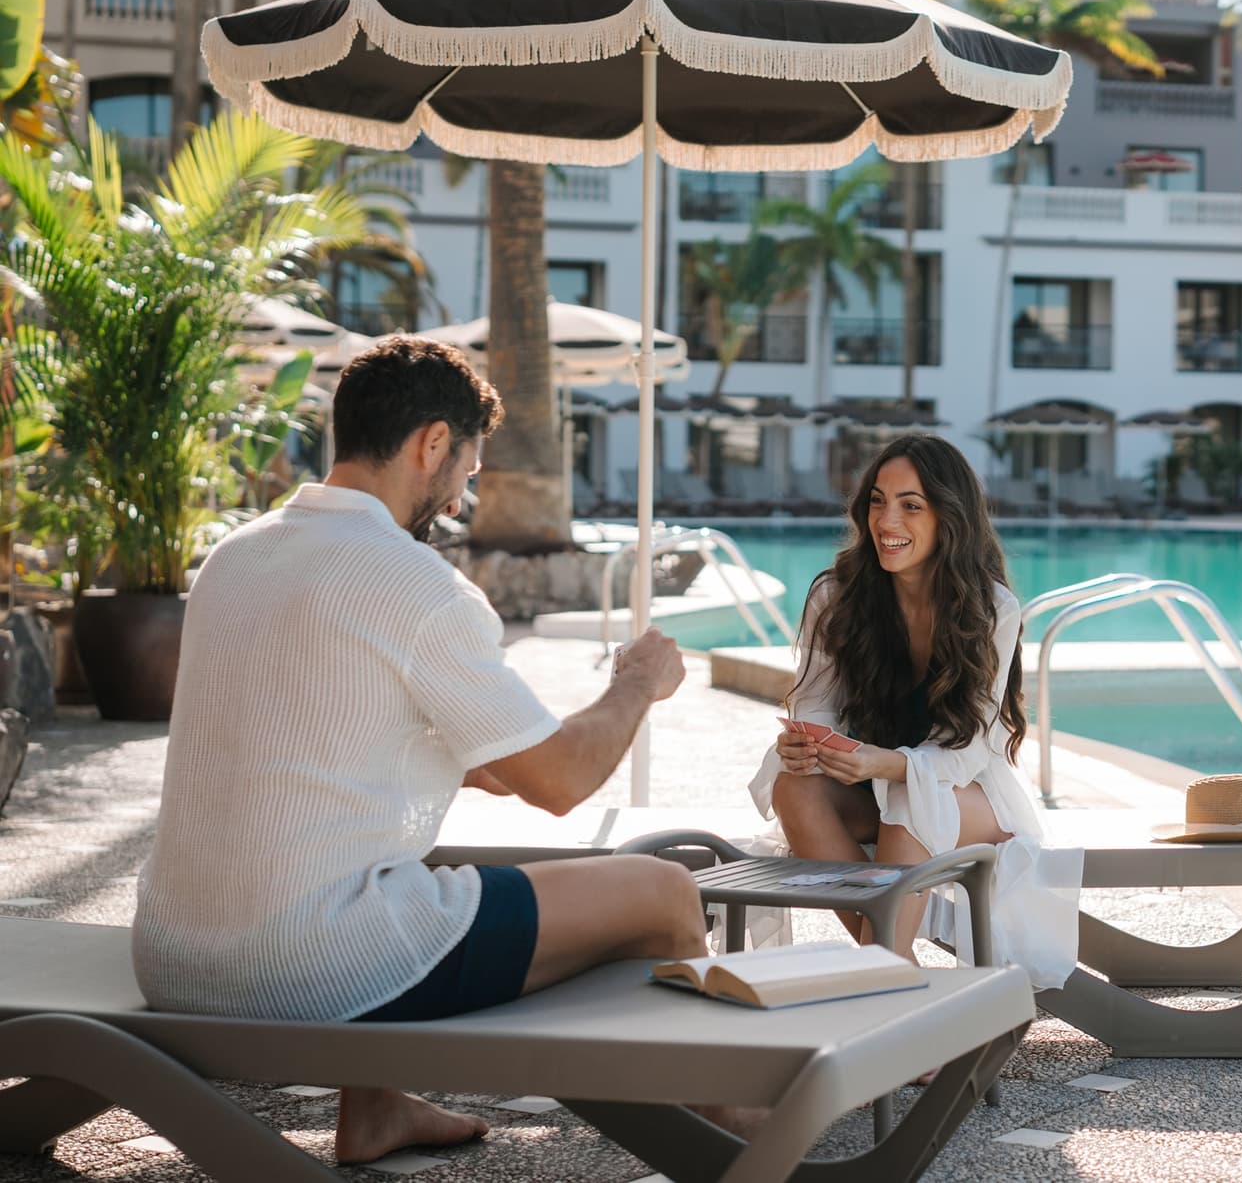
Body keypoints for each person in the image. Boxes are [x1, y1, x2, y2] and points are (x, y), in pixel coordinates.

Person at [133, 336, 714, 1166]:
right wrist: (638, 684)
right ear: (431, 443)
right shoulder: (418, 584)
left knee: (396, 851)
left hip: (175, 956)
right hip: (308, 968)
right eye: (467, 464)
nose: (464, 488)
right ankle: (740, 1130)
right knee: (661, 892)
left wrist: (484, 755)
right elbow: (560, 781)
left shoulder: (233, 557)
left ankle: (374, 1110)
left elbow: (330, 736)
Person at [748, 435, 1078, 988]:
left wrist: (886, 765)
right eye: (878, 500)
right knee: (792, 786)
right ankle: (903, 983)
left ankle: (885, 989)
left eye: (911, 504)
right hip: (868, 782)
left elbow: (970, 748)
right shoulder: (837, 596)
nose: (886, 519)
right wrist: (807, 745)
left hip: (972, 793)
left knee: (912, 793)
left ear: (950, 517)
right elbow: (816, 708)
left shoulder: (991, 607)